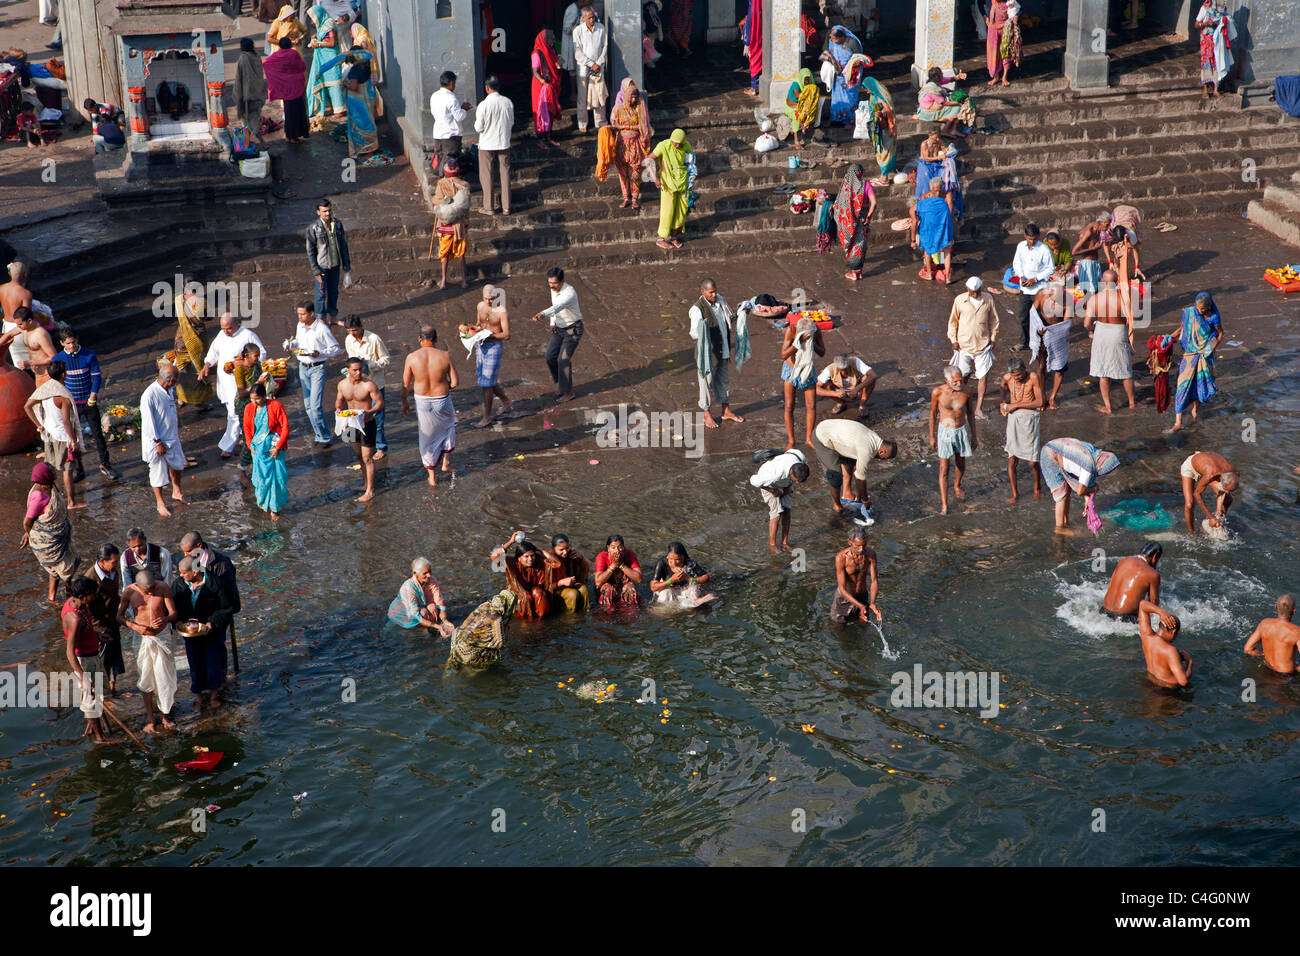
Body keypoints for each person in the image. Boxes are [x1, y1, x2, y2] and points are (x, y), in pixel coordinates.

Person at [117, 569, 178, 733]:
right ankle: (151, 719)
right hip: (142, 638)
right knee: (145, 678)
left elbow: (173, 613)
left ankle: (165, 716)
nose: (150, 593)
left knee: (165, 677)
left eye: (152, 589)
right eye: (147, 590)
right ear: (138, 585)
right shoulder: (129, 591)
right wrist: (134, 626)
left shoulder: (163, 587)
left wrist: (165, 619)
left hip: (162, 636)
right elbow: (119, 617)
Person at [53, 326, 117, 481]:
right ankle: (79, 468)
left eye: (74, 342)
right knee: (73, 438)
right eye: (68, 343)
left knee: (98, 435)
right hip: (71, 404)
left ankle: (105, 464)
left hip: (88, 402)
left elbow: (96, 377)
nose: (72, 345)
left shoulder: (89, 355)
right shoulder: (57, 359)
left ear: (78, 339)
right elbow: (57, 383)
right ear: (62, 343)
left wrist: (93, 396)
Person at [201, 313, 267, 459]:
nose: (226, 331)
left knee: (234, 415)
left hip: (239, 383)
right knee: (238, 413)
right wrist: (207, 365)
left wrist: (244, 363)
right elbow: (213, 352)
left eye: (229, 328)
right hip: (224, 382)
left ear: (237, 323)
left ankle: (227, 447)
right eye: (223, 328)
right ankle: (248, 436)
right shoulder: (221, 335)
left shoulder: (248, 335)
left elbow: (261, 353)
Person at [171, 556, 232, 711]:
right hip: (191, 633)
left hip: (212, 633)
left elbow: (225, 608)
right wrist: (177, 621)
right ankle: (198, 696)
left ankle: (213, 695)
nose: (182, 576)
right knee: (195, 664)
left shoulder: (215, 584)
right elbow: (172, 608)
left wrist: (212, 622)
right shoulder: (178, 585)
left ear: (196, 572)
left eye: (185, 573)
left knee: (213, 663)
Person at [401, 326, 458, 486]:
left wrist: (404, 402)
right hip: (442, 399)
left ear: (420, 339)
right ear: (436, 339)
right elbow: (454, 382)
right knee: (448, 428)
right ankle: (446, 463)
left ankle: (432, 477)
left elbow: (405, 385)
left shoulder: (411, 357)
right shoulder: (445, 356)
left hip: (422, 401)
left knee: (426, 437)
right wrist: (443, 385)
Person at [23, 360, 83, 510]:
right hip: (63, 436)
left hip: (49, 435)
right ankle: (71, 502)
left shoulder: (45, 391)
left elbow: (27, 406)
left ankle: (48, 499)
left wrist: (39, 425)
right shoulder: (62, 395)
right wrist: (73, 440)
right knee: (67, 470)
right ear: (64, 374)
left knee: (50, 469)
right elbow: (66, 421)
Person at [689, 279, 746, 428]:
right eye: (711, 292)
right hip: (708, 355)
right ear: (703, 292)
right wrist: (704, 328)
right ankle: (706, 414)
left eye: (715, 291)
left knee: (724, 382)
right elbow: (694, 333)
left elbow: (728, 319)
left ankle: (726, 411)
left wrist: (742, 313)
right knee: (706, 383)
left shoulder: (721, 301)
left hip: (723, 350)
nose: (714, 294)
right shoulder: (697, 309)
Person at [810, 419, 897, 517]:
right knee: (835, 476)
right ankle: (837, 506)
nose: (882, 460)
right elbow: (860, 478)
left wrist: (860, 494)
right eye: (884, 459)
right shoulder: (867, 449)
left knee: (852, 461)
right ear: (882, 452)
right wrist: (865, 499)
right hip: (821, 436)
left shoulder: (875, 439)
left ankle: (847, 493)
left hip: (833, 431)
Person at [21, 462, 78, 604]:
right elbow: (27, 521)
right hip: (49, 539)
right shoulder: (38, 497)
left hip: (59, 536)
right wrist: (30, 534)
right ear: (46, 476)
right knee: (63, 565)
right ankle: (61, 593)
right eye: (52, 471)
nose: (55, 472)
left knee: (60, 565)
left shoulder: (50, 488)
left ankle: (61, 593)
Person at [335, 314, 391, 457]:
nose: (352, 334)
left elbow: (386, 359)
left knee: (376, 418)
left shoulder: (374, 339)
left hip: (374, 383)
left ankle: (380, 447)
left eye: (355, 330)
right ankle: (359, 448)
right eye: (349, 331)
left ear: (361, 326)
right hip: (356, 385)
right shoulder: (349, 340)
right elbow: (350, 359)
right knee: (354, 417)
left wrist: (370, 365)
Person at [287, 300, 341, 446]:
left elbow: (336, 348)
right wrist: (291, 345)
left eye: (303, 314)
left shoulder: (322, 329)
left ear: (311, 314)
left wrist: (321, 353)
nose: (300, 317)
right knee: (308, 406)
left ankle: (325, 437)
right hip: (303, 367)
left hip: (317, 368)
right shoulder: (300, 325)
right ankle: (319, 435)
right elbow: (298, 341)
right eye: (298, 314)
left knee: (315, 406)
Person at [1038, 437, 1119, 532]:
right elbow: (1080, 491)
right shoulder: (1088, 467)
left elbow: (1082, 480)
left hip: (1058, 449)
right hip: (1050, 455)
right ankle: (1059, 528)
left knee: (1067, 491)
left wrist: (1088, 501)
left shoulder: (1093, 454)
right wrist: (1093, 489)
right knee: (1061, 495)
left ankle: (1065, 523)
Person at [1084, 269, 1136, 414]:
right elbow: (1129, 320)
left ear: (1102, 282)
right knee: (1125, 371)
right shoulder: (1122, 298)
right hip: (1118, 332)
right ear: (1116, 282)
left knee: (1103, 372)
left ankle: (1108, 406)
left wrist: (1091, 331)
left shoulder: (1094, 299)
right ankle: (1132, 403)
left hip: (1101, 332)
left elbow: (1086, 323)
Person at [63, 577, 107, 743]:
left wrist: (97, 635)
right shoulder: (74, 618)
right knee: (90, 701)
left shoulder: (77, 604)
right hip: (85, 660)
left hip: (92, 654)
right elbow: (70, 651)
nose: (94, 597)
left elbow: (83, 633)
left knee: (96, 696)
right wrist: (83, 676)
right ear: (82, 595)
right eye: (92, 594)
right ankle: (100, 738)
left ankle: (91, 728)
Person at [930, 365, 978, 515]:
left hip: (961, 430)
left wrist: (974, 435)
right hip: (945, 432)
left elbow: (970, 413)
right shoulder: (937, 392)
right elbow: (932, 414)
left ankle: (957, 484)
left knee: (961, 463)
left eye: (961, 381)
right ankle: (944, 504)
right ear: (946, 380)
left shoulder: (967, 391)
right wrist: (932, 436)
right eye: (955, 382)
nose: (959, 384)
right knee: (944, 468)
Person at [1169, 292, 1221, 432]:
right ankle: (1178, 421)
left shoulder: (1214, 317)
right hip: (1190, 355)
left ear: (1208, 308)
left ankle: (1195, 410)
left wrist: (1211, 347)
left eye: (1202, 309)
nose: (1198, 311)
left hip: (1205, 355)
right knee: (1182, 384)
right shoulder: (1188, 313)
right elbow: (1182, 328)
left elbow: (1219, 334)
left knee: (1200, 383)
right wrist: (1168, 337)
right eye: (1197, 308)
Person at [531, 267, 583, 403]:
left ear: (562, 281)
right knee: (550, 356)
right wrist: (552, 322)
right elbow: (554, 306)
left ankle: (568, 392)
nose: (552, 286)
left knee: (563, 360)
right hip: (559, 328)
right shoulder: (553, 290)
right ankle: (562, 385)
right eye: (550, 283)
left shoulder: (569, 293)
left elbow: (558, 307)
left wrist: (542, 314)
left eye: (554, 283)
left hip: (573, 330)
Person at [141, 361, 186, 517]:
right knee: (158, 473)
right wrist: (157, 442)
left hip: (171, 436)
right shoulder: (149, 395)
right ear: (170, 379)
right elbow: (148, 422)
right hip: (157, 440)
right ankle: (160, 502)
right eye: (176, 378)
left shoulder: (169, 389)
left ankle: (176, 490)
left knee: (178, 465)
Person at [948, 276, 998, 416]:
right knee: (962, 376)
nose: (975, 294)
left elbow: (994, 320)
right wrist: (953, 340)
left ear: (981, 288)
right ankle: (959, 403)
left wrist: (993, 338)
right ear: (968, 289)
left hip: (983, 345)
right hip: (963, 345)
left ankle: (978, 408)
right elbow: (953, 321)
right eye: (972, 291)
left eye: (977, 291)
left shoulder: (988, 299)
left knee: (983, 376)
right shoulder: (959, 300)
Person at [336, 356, 383, 501]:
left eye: (360, 369)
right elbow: (339, 401)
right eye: (355, 370)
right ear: (348, 370)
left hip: (366, 424)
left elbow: (380, 403)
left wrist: (370, 411)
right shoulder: (342, 385)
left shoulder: (369, 385)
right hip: (350, 423)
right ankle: (365, 483)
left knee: (367, 458)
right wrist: (338, 409)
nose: (358, 373)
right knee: (358, 456)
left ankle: (370, 491)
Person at [79, 544, 123, 697]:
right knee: (102, 660)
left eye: (117, 561)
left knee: (115, 655)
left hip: (113, 619)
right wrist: (100, 628)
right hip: (100, 626)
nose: (117, 565)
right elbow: (86, 610)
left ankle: (112, 688)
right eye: (114, 562)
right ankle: (101, 693)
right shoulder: (90, 579)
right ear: (102, 561)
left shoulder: (113, 572)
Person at [467, 285, 512, 427]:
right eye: (486, 298)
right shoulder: (480, 306)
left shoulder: (501, 311)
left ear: (496, 297)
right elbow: (479, 323)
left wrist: (490, 336)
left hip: (494, 346)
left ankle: (486, 417)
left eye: (491, 298)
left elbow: (506, 334)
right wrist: (471, 330)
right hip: (480, 345)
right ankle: (506, 400)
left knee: (486, 383)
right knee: (485, 378)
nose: (488, 301)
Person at [999, 357, 1043, 502]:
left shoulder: (1033, 377)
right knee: (1012, 460)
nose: (1017, 378)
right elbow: (1003, 387)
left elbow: (1040, 401)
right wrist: (1003, 403)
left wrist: (1016, 405)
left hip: (1030, 418)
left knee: (1032, 461)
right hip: (1013, 418)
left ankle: (1037, 487)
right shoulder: (1007, 378)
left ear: (1024, 369)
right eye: (1014, 376)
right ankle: (1015, 494)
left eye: (1019, 375)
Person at [750, 448, 810, 552]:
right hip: (769, 484)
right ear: (791, 473)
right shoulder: (775, 474)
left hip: (785, 483)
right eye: (796, 480)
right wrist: (773, 491)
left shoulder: (800, 459)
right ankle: (772, 545)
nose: (798, 483)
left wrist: (789, 485)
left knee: (787, 511)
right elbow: (754, 481)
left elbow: (793, 451)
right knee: (776, 513)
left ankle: (784, 543)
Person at [244, 382, 289, 518]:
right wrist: (249, 445)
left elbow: (285, 426)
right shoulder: (249, 408)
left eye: (257, 398)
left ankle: (274, 509)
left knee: (275, 479)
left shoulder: (275, 406)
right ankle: (264, 503)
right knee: (262, 478)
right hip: (258, 449)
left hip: (273, 448)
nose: (254, 402)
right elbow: (246, 427)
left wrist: (278, 447)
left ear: (264, 396)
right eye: (252, 399)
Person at [446, 589, 518, 671]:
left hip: (457, 641)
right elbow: (499, 644)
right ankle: (473, 672)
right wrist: (506, 634)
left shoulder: (484, 605)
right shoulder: (497, 618)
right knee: (493, 652)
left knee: (451, 669)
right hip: (470, 653)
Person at [780, 316, 824, 449]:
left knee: (811, 406)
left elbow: (822, 352)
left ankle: (809, 438)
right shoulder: (790, 330)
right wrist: (797, 342)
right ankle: (791, 440)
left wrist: (812, 342)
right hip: (791, 369)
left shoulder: (816, 331)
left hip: (808, 369)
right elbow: (783, 355)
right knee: (789, 406)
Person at [1028, 280, 1072, 409]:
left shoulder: (1067, 301)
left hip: (1058, 336)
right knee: (1041, 367)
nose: (1054, 303)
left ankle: (1052, 397)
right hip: (1042, 334)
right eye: (1053, 299)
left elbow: (1066, 324)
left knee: (1059, 369)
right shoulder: (1041, 294)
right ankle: (1041, 396)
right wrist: (1038, 328)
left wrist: (1053, 333)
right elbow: (1033, 313)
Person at [306, 198, 351, 323]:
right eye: (324, 211)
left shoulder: (337, 224)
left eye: (329, 210)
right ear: (318, 212)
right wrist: (315, 270)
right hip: (322, 266)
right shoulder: (313, 228)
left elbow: (343, 246)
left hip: (335, 264)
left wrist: (346, 267)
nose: (327, 214)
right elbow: (311, 251)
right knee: (320, 294)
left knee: (333, 292)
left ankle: (332, 316)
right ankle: (320, 319)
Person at [609, 78, 652, 209]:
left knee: (635, 173)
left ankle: (634, 198)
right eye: (631, 97)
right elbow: (614, 124)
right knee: (623, 173)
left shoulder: (639, 109)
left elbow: (643, 126)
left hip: (635, 144)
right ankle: (626, 197)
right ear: (627, 97)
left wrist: (642, 137)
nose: (634, 100)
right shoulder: (618, 109)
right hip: (621, 144)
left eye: (635, 97)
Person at [1011, 223, 1054, 351]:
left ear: (1038, 236)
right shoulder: (1020, 246)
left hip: (1039, 289)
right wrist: (1021, 276)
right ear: (1025, 236)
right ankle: (1024, 341)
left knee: (1039, 317)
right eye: (1029, 239)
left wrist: (1035, 279)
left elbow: (1050, 268)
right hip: (1024, 289)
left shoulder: (1044, 249)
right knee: (1023, 316)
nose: (1032, 241)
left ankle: (1040, 342)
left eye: (1034, 239)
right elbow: (1016, 263)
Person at [474, 75, 514, 216]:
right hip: (503, 142)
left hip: (486, 144)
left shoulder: (483, 105)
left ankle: (489, 207)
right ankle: (506, 207)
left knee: (487, 175)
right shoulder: (508, 102)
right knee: (505, 174)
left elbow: (479, 127)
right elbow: (511, 122)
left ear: (487, 88)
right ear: (499, 87)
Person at [170, 286, 214, 408]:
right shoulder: (201, 302)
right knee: (198, 369)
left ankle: (181, 399)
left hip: (181, 339)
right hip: (196, 339)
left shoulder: (179, 300)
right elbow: (209, 316)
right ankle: (199, 402)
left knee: (182, 368)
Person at [1101, 542, 1167, 624]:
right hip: (1124, 619)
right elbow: (1153, 604)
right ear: (1154, 557)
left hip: (1103, 612)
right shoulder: (1153, 574)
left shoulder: (1123, 561)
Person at [387, 557, 454, 636]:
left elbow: (440, 603)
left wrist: (445, 621)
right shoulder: (409, 587)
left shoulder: (432, 580)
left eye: (430, 571)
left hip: (421, 606)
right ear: (415, 573)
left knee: (433, 607)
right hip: (402, 614)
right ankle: (422, 630)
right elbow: (417, 617)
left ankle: (429, 627)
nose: (429, 575)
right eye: (425, 573)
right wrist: (438, 627)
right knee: (423, 612)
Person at [650, 129, 693, 250]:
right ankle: (661, 238)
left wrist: (691, 179)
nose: (677, 145)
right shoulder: (664, 145)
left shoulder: (687, 146)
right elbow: (648, 160)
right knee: (667, 211)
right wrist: (655, 178)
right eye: (675, 142)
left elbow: (690, 163)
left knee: (681, 211)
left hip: (683, 183)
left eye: (680, 143)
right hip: (667, 185)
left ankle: (674, 236)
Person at [491, 533, 552, 619]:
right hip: (519, 593)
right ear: (519, 558)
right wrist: (511, 541)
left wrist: (540, 550)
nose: (530, 559)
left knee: (538, 592)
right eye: (526, 556)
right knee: (525, 597)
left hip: (536, 592)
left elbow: (555, 563)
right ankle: (526, 621)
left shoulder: (539, 561)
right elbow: (494, 557)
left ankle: (541, 620)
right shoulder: (512, 562)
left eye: (532, 556)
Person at [833, 164, 876, 282]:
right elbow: (874, 203)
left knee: (852, 246)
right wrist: (869, 216)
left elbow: (839, 204)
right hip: (863, 220)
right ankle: (859, 273)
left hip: (848, 223)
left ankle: (854, 274)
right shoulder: (866, 185)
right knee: (861, 245)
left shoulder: (845, 186)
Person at [432, 157, 471, 290]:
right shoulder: (465, 185)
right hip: (459, 225)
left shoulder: (441, 184)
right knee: (461, 253)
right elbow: (466, 208)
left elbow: (436, 202)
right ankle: (464, 281)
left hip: (445, 226)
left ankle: (443, 280)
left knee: (444, 253)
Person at [1179, 450, 1238, 535]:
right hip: (1191, 467)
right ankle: (1192, 534)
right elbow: (1197, 494)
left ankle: (1217, 523)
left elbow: (1223, 491)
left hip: (1207, 466)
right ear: (1220, 479)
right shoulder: (1211, 474)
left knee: (1228, 499)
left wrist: (1218, 511)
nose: (1228, 491)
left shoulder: (1234, 473)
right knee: (1189, 504)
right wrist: (1210, 517)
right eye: (1226, 489)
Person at [265, 35, 309, 143]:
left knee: (289, 112)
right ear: (290, 45)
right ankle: (295, 136)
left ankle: (289, 135)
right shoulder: (293, 54)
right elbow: (302, 67)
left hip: (285, 88)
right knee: (298, 111)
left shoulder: (276, 55)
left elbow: (266, 63)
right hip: (296, 86)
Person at [832, 527, 880, 624]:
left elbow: (874, 581)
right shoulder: (841, 558)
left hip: (862, 596)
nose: (861, 549)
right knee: (839, 627)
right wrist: (860, 606)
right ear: (850, 542)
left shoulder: (870, 554)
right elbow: (841, 588)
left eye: (864, 545)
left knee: (863, 624)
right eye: (858, 546)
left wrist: (872, 602)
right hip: (844, 598)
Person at [910, 177, 955, 282]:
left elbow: (912, 213)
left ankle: (929, 274)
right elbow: (949, 213)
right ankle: (948, 278)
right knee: (947, 250)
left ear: (930, 188)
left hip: (928, 230)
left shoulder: (923, 202)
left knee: (927, 250)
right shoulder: (944, 202)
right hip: (943, 229)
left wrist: (913, 238)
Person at [306, 3, 346, 118]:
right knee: (326, 82)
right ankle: (334, 108)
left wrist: (318, 44)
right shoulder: (323, 25)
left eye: (314, 18)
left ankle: (339, 109)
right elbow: (324, 38)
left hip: (331, 58)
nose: (313, 22)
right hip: (323, 58)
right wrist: (316, 38)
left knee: (334, 83)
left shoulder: (329, 25)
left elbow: (332, 42)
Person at [1138, 601, 1190, 690]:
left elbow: (1142, 605)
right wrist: (1189, 663)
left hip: (1149, 683)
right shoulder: (1170, 650)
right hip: (1167, 691)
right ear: (1173, 632)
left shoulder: (1147, 637)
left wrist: (1161, 613)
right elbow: (1183, 681)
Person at [573, 6, 608, 133]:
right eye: (589, 18)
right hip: (583, 68)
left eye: (593, 17)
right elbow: (577, 52)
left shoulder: (601, 28)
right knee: (583, 96)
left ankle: (601, 122)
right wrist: (590, 64)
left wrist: (598, 63)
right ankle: (582, 122)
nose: (592, 19)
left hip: (598, 67)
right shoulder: (578, 31)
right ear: (583, 18)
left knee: (599, 93)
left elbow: (605, 47)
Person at [1243, 595, 1300, 675]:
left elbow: (1247, 649)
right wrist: (1296, 670)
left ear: (1276, 607)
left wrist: (1262, 655)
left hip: (1267, 670)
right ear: (1294, 611)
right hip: (1285, 677)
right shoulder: (1296, 632)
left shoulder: (1264, 624)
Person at [857, 75, 898, 184]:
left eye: (866, 89)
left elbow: (889, 110)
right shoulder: (873, 95)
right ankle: (883, 175)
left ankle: (884, 178)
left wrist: (881, 114)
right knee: (881, 151)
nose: (866, 91)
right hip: (877, 128)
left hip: (886, 128)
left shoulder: (881, 96)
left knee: (885, 152)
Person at [821, 25, 864, 124]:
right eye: (831, 39)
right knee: (837, 97)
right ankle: (836, 118)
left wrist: (849, 68)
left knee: (850, 97)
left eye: (835, 39)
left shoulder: (852, 42)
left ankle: (849, 121)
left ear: (842, 37)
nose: (833, 41)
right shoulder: (830, 40)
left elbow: (859, 58)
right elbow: (826, 53)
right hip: (837, 75)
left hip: (850, 74)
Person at [649, 542, 714, 607]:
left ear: (683, 557)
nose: (674, 563)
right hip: (667, 588)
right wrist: (671, 580)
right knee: (665, 594)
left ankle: (693, 601)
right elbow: (653, 587)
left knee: (694, 589)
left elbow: (706, 578)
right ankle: (695, 601)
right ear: (667, 556)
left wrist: (689, 579)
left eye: (677, 559)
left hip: (684, 589)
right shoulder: (662, 563)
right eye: (671, 559)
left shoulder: (689, 563)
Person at [916, 67, 974, 139]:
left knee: (959, 105)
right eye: (941, 74)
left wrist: (958, 76)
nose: (943, 75)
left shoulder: (934, 82)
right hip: (928, 111)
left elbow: (950, 79)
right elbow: (945, 103)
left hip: (933, 106)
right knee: (958, 108)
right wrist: (958, 102)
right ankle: (945, 130)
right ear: (937, 77)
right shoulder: (933, 90)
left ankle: (953, 130)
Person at [815, 353, 876, 419]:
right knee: (825, 384)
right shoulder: (829, 369)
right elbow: (815, 388)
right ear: (836, 366)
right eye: (841, 369)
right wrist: (836, 393)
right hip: (839, 390)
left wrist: (856, 389)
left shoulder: (855, 361)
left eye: (846, 368)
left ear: (849, 363)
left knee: (869, 379)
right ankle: (840, 403)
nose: (844, 372)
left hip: (857, 389)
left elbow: (873, 375)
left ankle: (862, 405)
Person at [1196, 0, 1236, 99]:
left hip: (1218, 41)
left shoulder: (1223, 11)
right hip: (1207, 39)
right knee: (1206, 62)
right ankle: (1205, 90)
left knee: (1218, 61)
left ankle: (1216, 90)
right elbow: (1196, 24)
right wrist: (1205, 24)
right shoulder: (1205, 8)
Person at [0, 306, 57, 374]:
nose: (18, 327)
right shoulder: (24, 328)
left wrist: (30, 363)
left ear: (29, 321)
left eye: (20, 324)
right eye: (17, 324)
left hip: (46, 373)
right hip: (36, 373)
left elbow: (54, 357)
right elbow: (9, 334)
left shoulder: (41, 335)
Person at [530, 29, 562, 149]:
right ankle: (541, 139)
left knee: (550, 110)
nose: (553, 40)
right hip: (541, 86)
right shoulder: (536, 53)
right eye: (551, 38)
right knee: (541, 112)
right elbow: (535, 72)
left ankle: (549, 137)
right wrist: (544, 83)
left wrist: (558, 66)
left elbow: (554, 66)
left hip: (551, 85)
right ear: (544, 39)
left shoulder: (552, 50)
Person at [544, 534, 591, 613]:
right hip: (556, 591)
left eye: (567, 548)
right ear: (553, 549)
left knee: (583, 589)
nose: (565, 552)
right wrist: (561, 582)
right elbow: (546, 587)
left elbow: (584, 572)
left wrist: (581, 559)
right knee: (572, 594)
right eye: (561, 550)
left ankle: (584, 613)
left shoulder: (572, 555)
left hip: (571, 585)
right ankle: (569, 617)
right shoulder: (548, 561)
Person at [594, 534, 641, 610]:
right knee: (608, 589)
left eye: (620, 547)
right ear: (608, 548)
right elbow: (598, 583)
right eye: (613, 548)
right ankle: (607, 612)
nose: (617, 551)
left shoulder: (629, 554)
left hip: (624, 586)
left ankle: (631, 613)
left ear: (624, 548)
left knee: (630, 587)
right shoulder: (602, 556)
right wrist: (613, 565)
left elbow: (639, 578)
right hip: (607, 587)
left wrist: (621, 565)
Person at [233, 38, 268, 140]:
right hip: (258, 93)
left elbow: (240, 78)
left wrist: (239, 95)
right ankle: (249, 142)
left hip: (247, 96)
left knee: (250, 121)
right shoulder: (256, 56)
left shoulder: (243, 58)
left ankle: (262, 142)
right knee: (253, 119)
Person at [1070, 211, 1109, 293]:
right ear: (1100, 223)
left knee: (1098, 290)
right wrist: (1093, 248)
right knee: (1089, 293)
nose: (1108, 227)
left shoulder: (1098, 229)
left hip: (1095, 263)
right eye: (1107, 225)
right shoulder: (1089, 231)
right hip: (1087, 264)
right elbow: (1074, 252)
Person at [986, 0, 1021, 87]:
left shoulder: (1010, 2)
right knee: (993, 53)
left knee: (1005, 51)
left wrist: (1016, 16)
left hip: (1006, 27)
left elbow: (1019, 8)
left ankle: (1004, 77)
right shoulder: (992, 2)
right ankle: (996, 76)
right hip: (993, 28)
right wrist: (985, 17)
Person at [784, 68, 820, 149]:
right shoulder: (796, 84)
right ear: (801, 78)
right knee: (797, 117)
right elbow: (797, 95)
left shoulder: (810, 83)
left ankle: (808, 127)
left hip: (803, 105)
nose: (806, 81)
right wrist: (808, 92)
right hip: (792, 107)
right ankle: (796, 142)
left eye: (808, 79)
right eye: (805, 79)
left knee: (814, 109)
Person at [740, 0, 763, 97]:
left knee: (754, 59)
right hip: (761, 33)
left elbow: (750, 20)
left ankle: (754, 88)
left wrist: (746, 41)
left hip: (755, 36)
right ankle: (757, 86)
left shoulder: (753, 5)